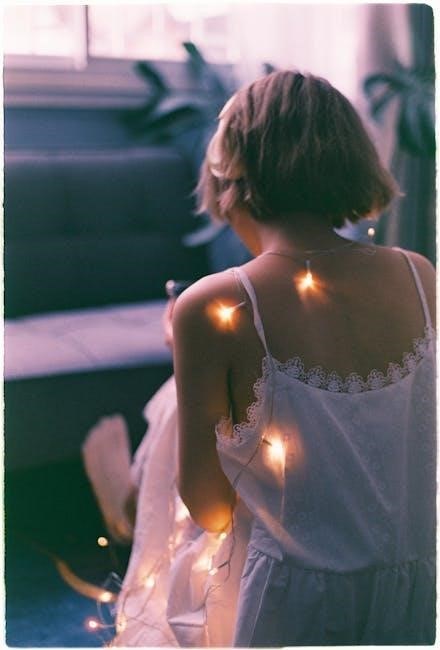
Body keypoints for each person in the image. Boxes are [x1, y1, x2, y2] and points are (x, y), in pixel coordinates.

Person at [172, 70, 436, 646]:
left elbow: (208, 508)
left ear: (232, 178)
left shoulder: (215, 304)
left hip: (290, 606)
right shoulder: (420, 276)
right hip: (417, 589)